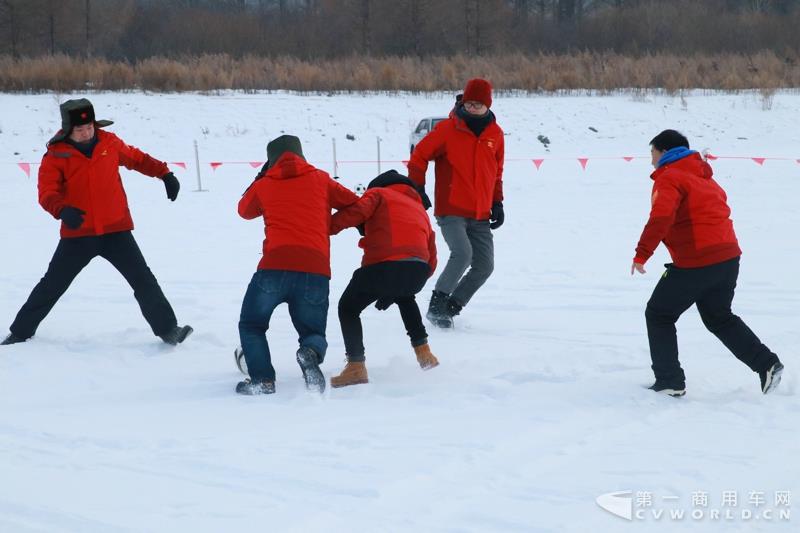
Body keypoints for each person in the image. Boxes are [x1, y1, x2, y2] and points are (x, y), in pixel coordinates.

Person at [1, 98, 192, 347]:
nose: (86, 133)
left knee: (143, 280)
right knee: (53, 284)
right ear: (69, 130)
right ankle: (20, 332)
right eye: (80, 130)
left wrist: (165, 174)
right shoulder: (56, 155)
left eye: (89, 127)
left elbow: (138, 159)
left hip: (116, 230)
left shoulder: (108, 142)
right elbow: (46, 194)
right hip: (78, 234)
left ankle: (169, 330)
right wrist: (62, 210)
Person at [632, 129, 784, 397]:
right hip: (727, 257)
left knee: (659, 314)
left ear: (665, 152)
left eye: (652, 153)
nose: (651, 160)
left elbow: (661, 217)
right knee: (719, 317)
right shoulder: (704, 177)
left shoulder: (670, 177)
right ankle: (767, 364)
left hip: (697, 261)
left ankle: (669, 381)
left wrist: (642, 253)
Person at [235, 134, 359, 395]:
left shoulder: (265, 183)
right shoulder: (322, 179)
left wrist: (260, 178)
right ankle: (310, 352)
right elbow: (354, 204)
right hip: (315, 269)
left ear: (270, 161)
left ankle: (263, 381)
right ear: (301, 155)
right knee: (312, 329)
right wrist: (329, 226)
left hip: (273, 267)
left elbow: (244, 210)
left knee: (252, 324)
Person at [328, 170, 439, 388]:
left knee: (348, 308)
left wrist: (324, 227)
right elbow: (432, 252)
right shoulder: (419, 209)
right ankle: (425, 354)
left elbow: (357, 212)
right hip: (418, 271)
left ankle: (356, 366)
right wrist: (406, 282)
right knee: (406, 297)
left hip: (384, 267)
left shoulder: (378, 194)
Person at [408, 77, 505, 328]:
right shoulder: (448, 130)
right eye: (469, 103)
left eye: (477, 104)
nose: (472, 108)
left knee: (484, 265)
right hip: (451, 209)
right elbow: (419, 156)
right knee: (462, 254)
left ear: (488, 105)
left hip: (481, 213)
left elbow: (497, 172)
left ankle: (451, 307)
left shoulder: (495, 134)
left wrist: (498, 203)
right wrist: (418, 188)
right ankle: (436, 305)